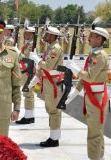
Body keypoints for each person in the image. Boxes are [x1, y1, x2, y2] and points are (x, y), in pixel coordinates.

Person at [65, 26, 109, 160]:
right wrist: (73, 94)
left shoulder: (100, 56)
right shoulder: (93, 54)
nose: (88, 38)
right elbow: (84, 80)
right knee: (96, 132)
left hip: (97, 99)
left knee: (94, 134)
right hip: (91, 97)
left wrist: (74, 68)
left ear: (99, 39)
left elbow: (89, 77)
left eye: (92, 36)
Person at [28, 27, 63, 147]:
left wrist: (37, 59)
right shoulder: (50, 47)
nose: (45, 36)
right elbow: (44, 68)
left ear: (53, 36)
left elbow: (48, 66)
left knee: (54, 111)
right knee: (51, 110)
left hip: (53, 83)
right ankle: (53, 136)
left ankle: (54, 139)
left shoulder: (55, 49)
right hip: (48, 81)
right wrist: (33, 82)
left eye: (47, 35)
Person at [16, 26, 36, 124]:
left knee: (28, 95)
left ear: (32, 34)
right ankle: (30, 115)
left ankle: (28, 117)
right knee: (28, 94)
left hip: (28, 72)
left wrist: (18, 53)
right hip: (25, 71)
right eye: (25, 33)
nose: (25, 35)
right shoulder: (28, 43)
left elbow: (28, 59)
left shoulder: (32, 45)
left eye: (27, 33)